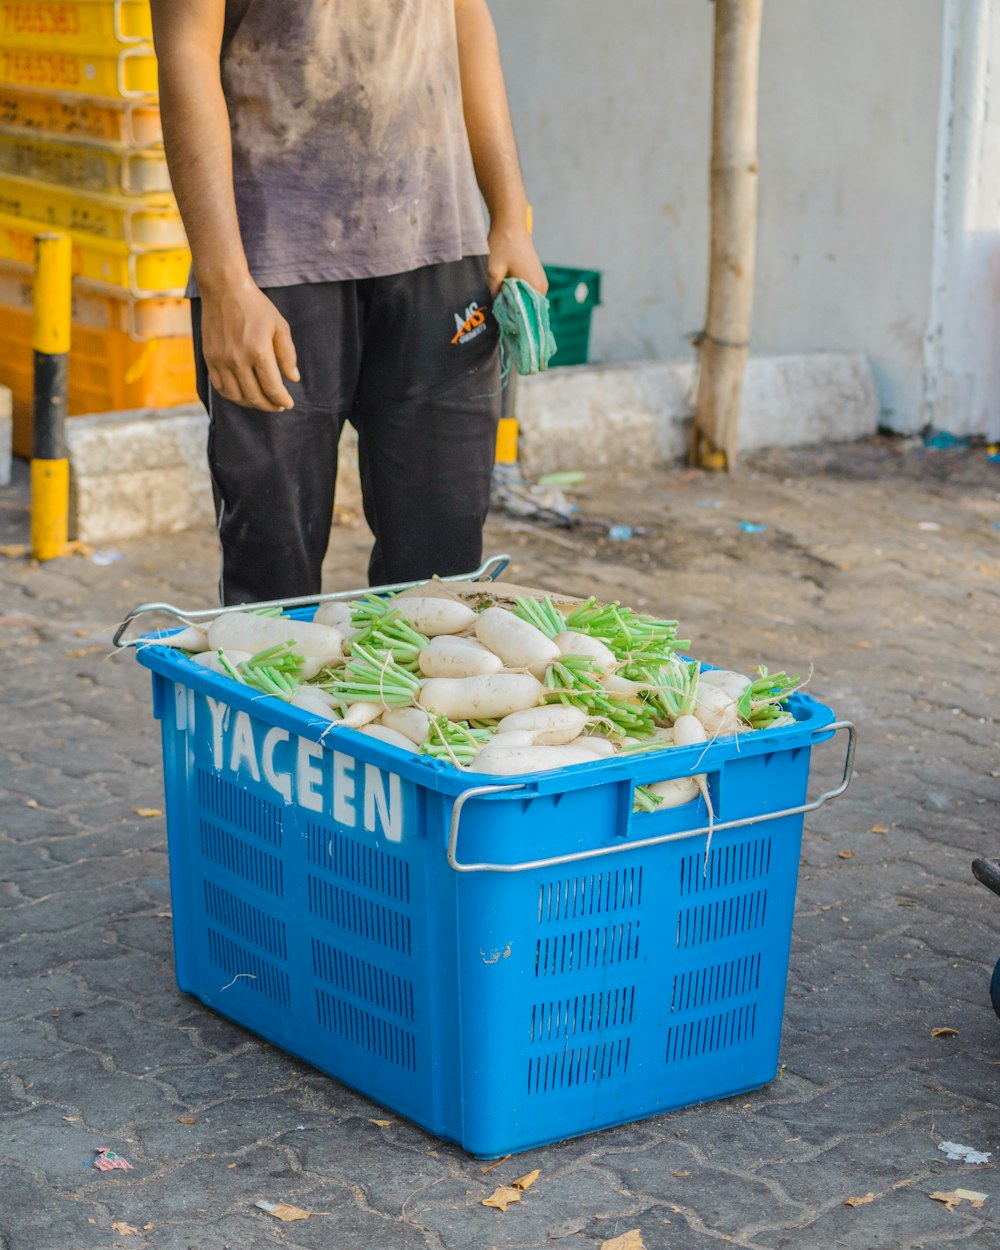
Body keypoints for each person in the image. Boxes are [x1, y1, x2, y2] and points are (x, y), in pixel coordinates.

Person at [150, 0, 546, 605]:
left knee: (442, 581)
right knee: (272, 577)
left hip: (440, 248)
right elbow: (186, 52)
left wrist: (510, 218)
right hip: (274, 270)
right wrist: (227, 284)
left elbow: (467, 20)